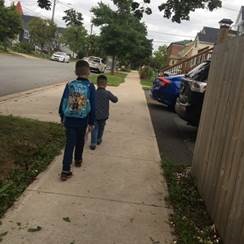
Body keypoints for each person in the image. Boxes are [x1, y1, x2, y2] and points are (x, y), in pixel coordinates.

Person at [59, 60, 95, 181]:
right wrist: (91, 122)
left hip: (69, 119)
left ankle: (65, 170)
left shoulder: (69, 84)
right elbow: (93, 106)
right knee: (80, 141)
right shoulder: (90, 86)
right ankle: (78, 160)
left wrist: (62, 116)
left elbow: (63, 101)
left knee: (69, 144)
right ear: (89, 72)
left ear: (75, 72)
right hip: (82, 120)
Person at [90, 75, 118, 150]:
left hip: (94, 115)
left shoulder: (94, 93)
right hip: (104, 116)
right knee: (101, 128)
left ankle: (93, 143)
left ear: (97, 83)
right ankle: (99, 139)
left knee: (94, 128)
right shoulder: (107, 93)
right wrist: (115, 97)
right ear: (106, 84)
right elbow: (115, 100)